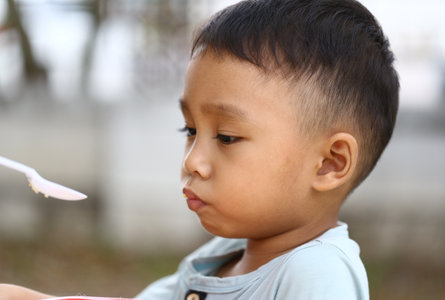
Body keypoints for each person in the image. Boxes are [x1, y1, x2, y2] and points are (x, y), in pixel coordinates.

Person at [0, 0, 398, 299]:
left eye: (226, 137)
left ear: (329, 163)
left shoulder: (316, 275)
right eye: (190, 130)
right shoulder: (220, 255)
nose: (192, 161)